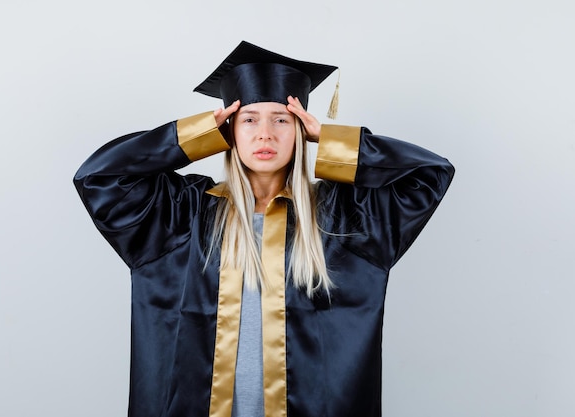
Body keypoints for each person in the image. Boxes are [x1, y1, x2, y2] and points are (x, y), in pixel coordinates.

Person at [74, 41, 455, 417]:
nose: (265, 134)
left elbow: (428, 175)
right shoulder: (182, 214)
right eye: (250, 119)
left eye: (281, 120)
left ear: (300, 129)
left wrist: (330, 140)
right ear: (229, 131)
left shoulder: (343, 218)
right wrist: (196, 135)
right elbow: (99, 177)